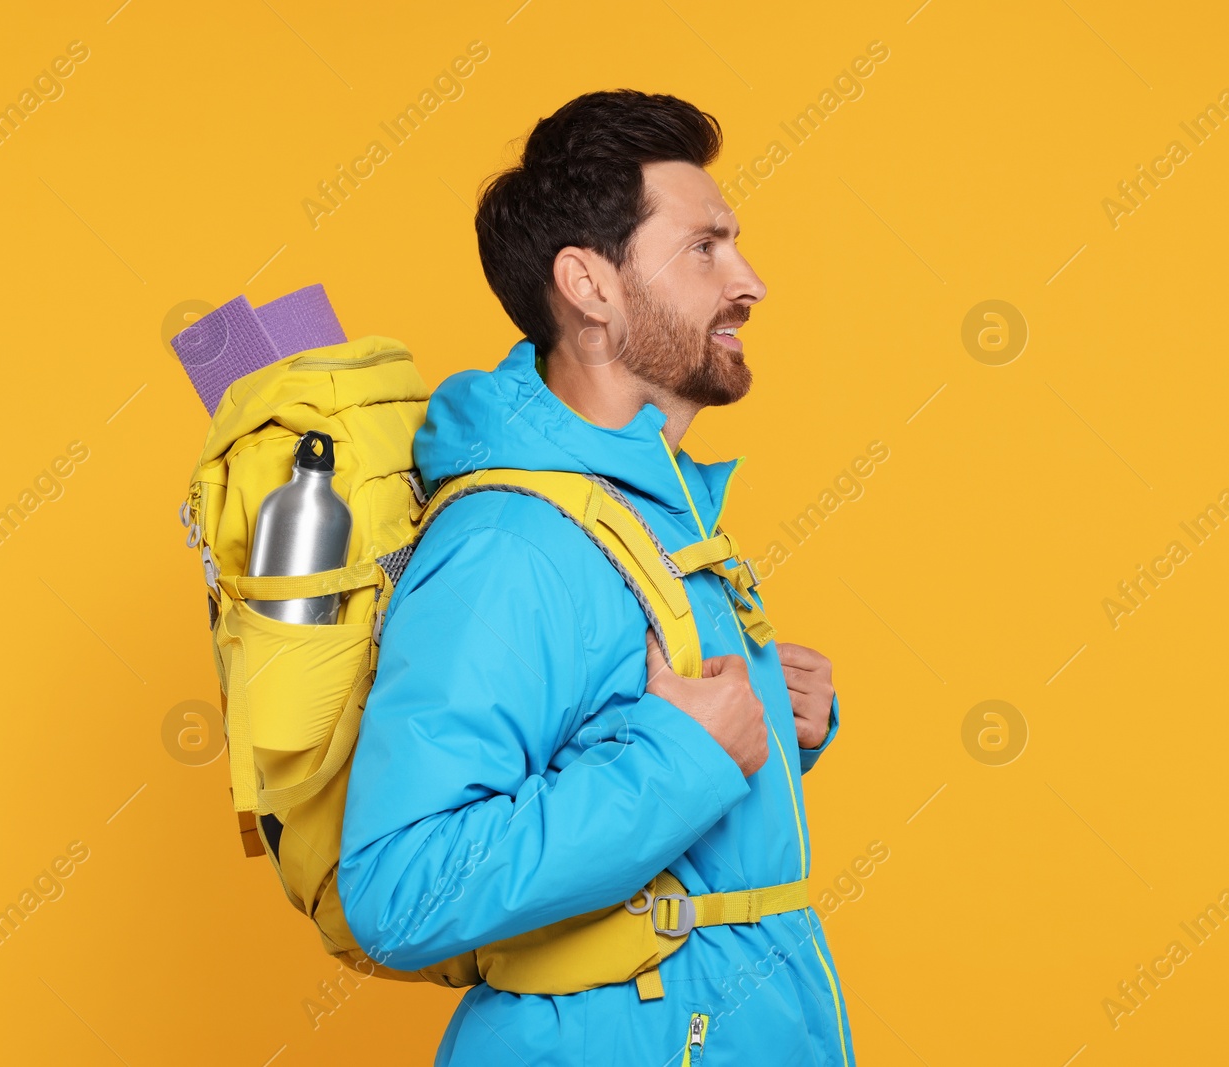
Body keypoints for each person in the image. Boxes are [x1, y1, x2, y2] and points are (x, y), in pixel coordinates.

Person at [338, 89, 855, 1066]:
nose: (750, 281)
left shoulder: (649, 514)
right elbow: (400, 887)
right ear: (588, 283)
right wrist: (682, 753)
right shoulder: (509, 542)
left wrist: (775, 730)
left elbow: (643, 747)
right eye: (705, 246)